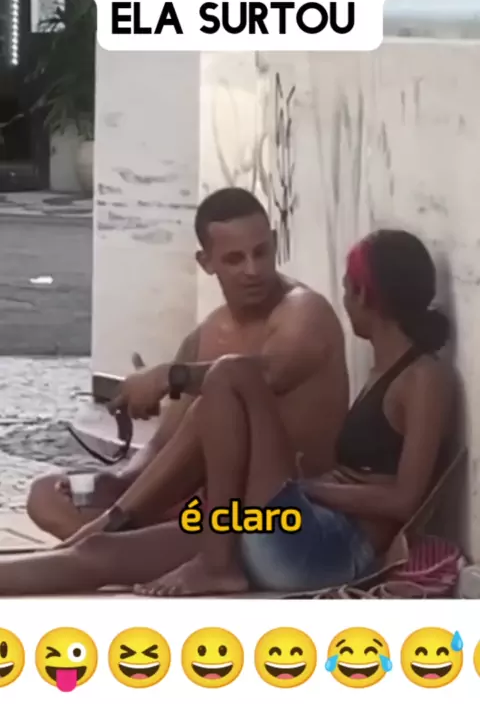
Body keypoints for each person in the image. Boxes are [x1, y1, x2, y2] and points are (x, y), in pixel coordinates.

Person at [0, 228, 453, 596]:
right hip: (281, 525)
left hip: (326, 549)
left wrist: (309, 489)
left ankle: (217, 564)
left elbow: (403, 500)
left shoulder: (423, 378)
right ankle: (174, 542)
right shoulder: (381, 370)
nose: (345, 301)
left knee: (232, 373)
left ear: (364, 295)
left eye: (348, 290)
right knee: (99, 552)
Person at [27, 186, 348, 542]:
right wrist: (120, 482)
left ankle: (101, 545)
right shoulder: (206, 334)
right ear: (206, 262)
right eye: (235, 259)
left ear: (274, 243)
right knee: (45, 496)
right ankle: (112, 543)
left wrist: (169, 376)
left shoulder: (304, 311)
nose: (252, 269)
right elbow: (162, 444)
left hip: (279, 513)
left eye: (261, 252)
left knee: (211, 403)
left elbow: (267, 373)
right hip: (203, 508)